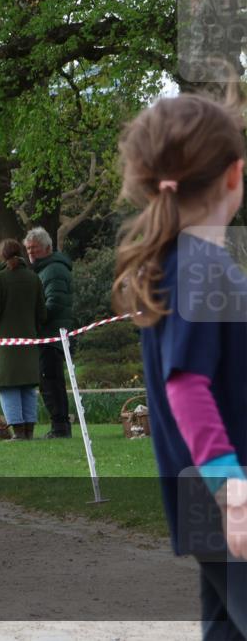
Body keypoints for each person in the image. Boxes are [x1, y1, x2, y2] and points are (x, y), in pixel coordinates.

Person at [112, 94, 246, 636]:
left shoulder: (176, 260)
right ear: (235, 176)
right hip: (224, 494)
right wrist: (230, 491)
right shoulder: (201, 264)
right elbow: (186, 385)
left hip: (201, 495)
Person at [0, 239, 46, 440]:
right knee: (27, 386)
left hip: (3, 344)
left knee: (8, 386)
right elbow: (41, 313)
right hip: (28, 341)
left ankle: (18, 433)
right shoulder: (34, 278)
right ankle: (29, 432)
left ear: (2, 255)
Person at [24, 226, 75, 438]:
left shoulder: (53, 270)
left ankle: (60, 427)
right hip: (50, 334)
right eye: (28, 249)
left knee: (51, 381)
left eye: (34, 248)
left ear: (47, 247)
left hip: (51, 335)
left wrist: (33, 319)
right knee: (52, 381)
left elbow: (54, 303)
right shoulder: (46, 269)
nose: (31, 253)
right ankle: (60, 426)